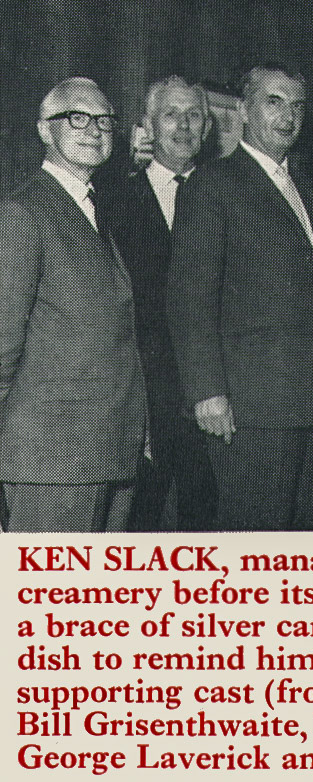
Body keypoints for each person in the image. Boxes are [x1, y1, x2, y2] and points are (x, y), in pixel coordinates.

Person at [168, 62, 313, 530]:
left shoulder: (310, 192)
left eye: (297, 106)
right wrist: (207, 391)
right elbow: (190, 297)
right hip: (254, 409)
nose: (287, 116)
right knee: (258, 538)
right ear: (244, 112)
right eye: (274, 102)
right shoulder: (213, 184)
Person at [0, 77, 147, 532]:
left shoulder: (94, 207)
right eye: (77, 118)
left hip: (107, 447)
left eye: (105, 120)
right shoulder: (23, 212)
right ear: (45, 130)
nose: (94, 130)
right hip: (52, 457)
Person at [106, 76, 217, 531]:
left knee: (209, 520)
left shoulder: (227, 194)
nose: (184, 126)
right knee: (138, 524)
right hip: (143, 399)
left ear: (208, 127)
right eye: (171, 114)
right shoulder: (114, 199)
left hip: (213, 395)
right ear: (148, 125)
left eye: (194, 115)